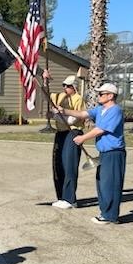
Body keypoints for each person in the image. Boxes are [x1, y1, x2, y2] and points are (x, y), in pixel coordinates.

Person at [56, 82, 126, 225]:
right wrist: (64, 111)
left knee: (110, 184)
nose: (98, 96)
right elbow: (82, 114)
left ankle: (110, 215)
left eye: (101, 94)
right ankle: (105, 212)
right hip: (104, 152)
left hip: (114, 152)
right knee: (102, 183)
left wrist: (83, 138)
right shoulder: (100, 109)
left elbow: (101, 129)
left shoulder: (115, 110)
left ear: (111, 96)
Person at [43, 71, 85, 209]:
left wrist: (59, 114)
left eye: (67, 86)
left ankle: (70, 198)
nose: (64, 88)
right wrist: (45, 81)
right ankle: (61, 196)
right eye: (64, 85)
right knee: (58, 164)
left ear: (74, 87)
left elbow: (76, 117)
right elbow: (45, 94)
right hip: (60, 132)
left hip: (73, 131)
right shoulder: (60, 96)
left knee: (69, 165)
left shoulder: (78, 99)